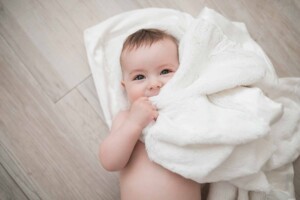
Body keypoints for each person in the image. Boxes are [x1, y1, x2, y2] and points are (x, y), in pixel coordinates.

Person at [99, 29, 201, 200]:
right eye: (139, 77)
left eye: (165, 72)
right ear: (125, 87)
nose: (154, 84)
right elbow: (110, 162)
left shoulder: (188, 111)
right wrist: (134, 124)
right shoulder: (126, 118)